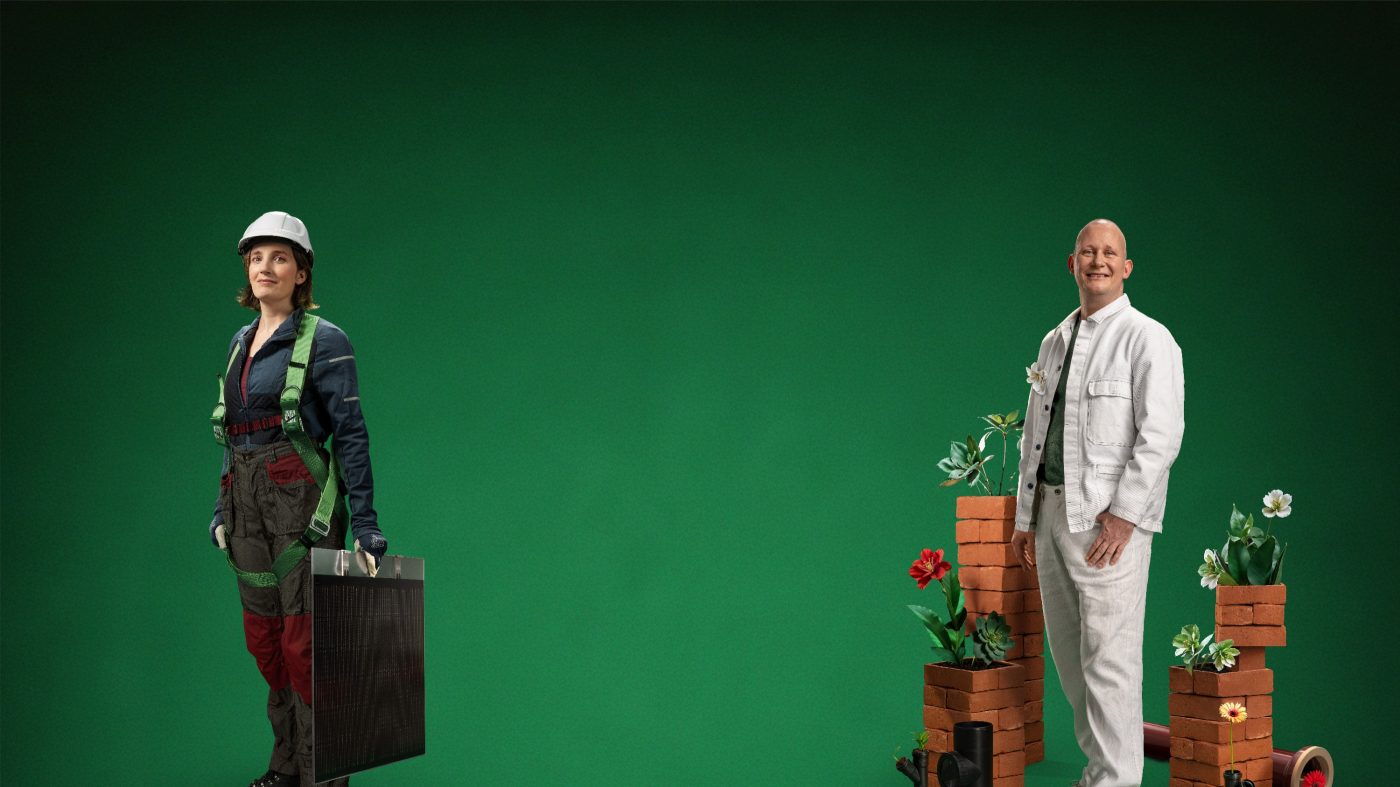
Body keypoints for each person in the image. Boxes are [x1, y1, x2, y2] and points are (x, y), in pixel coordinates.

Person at [209, 210, 388, 787]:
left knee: (306, 644)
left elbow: (351, 435)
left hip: (302, 504)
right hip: (244, 506)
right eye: (256, 257)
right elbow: (234, 433)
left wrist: (366, 524)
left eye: (280, 257)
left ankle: (322, 775)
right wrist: (221, 509)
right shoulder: (240, 343)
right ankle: (286, 764)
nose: (265, 267)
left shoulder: (325, 340)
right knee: (266, 642)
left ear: (301, 272)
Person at [1009, 219, 1184, 787]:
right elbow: (1036, 433)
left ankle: (1116, 780)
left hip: (1107, 528)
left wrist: (1125, 515)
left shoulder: (1147, 338)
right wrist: (1025, 518)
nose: (1099, 261)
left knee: (1109, 662)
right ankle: (1101, 775)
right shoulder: (1053, 342)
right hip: (1052, 516)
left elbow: (1162, 436)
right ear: (1072, 264)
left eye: (1110, 253)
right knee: (1071, 660)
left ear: (1126, 267)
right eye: (1088, 252)